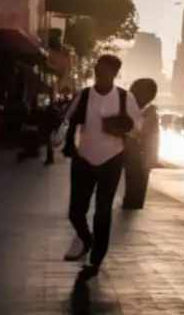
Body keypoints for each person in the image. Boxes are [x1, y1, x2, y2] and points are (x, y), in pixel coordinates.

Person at [60, 54, 143, 279]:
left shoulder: (126, 98)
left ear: (114, 74)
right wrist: (65, 140)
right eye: (97, 71)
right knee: (75, 211)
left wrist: (120, 131)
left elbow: (137, 128)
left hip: (111, 160)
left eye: (104, 73)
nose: (99, 76)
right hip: (83, 158)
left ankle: (95, 260)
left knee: (103, 211)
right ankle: (87, 240)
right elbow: (68, 119)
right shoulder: (85, 95)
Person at [122, 79, 159, 210]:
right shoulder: (144, 112)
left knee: (136, 189)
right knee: (135, 189)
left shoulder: (149, 113)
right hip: (138, 156)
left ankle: (132, 205)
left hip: (140, 156)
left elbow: (142, 132)